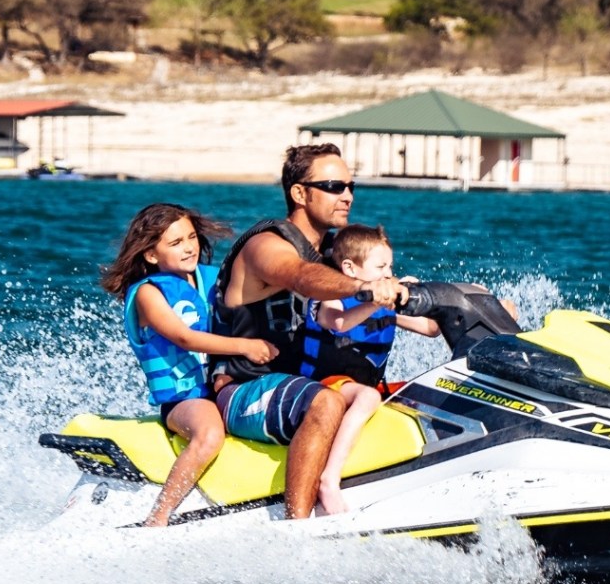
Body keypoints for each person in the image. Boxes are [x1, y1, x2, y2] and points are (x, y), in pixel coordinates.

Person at [209, 144, 405, 520]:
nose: (347, 195)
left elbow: (386, 283)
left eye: (350, 186)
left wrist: (463, 300)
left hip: (301, 384)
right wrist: (363, 289)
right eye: (333, 186)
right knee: (324, 402)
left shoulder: (337, 252)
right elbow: (299, 275)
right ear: (300, 193)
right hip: (243, 390)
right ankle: (297, 527)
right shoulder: (266, 245)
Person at [100, 203, 281, 528]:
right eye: (175, 243)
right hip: (184, 399)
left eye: (191, 237)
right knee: (209, 435)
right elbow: (184, 337)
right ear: (151, 255)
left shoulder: (212, 279)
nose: (188, 247)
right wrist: (246, 347)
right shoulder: (148, 294)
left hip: (226, 388)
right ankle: (158, 517)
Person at [300, 223, 441, 515]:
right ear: (350, 268)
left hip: (366, 385)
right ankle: (329, 480)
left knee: (428, 390)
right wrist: (376, 302)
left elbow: (431, 329)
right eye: (380, 267)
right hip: (324, 388)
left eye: (390, 267)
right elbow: (337, 322)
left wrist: (420, 297)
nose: (388, 274)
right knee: (369, 398)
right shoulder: (330, 295)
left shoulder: (384, 302)